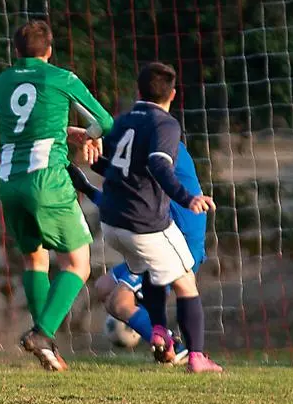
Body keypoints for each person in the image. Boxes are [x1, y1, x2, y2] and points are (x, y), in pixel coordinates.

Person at [0, 19, 113, 372]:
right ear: (49, 51)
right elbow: (105, 122)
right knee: (78, 263)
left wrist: (66, 130)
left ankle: (45, 345)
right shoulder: (62, 77)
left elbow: (30, 122)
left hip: (8, 179)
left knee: (35, 260)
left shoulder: (3, 81)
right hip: (46, 180)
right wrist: (88, 132)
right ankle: (43, 333)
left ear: (17, 51)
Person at [95, 61, 221, 373]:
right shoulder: (160, 130)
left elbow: (151, 170)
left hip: (173, 231)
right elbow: (149, 169)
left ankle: (172, 343)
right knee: (110, 292)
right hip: (150, 226)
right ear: (173, 95)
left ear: (137, 91)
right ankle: (188, 352)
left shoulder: (131, 126)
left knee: (116, 299)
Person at [67, 140, 207, 364]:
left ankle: (174, 347)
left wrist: (95, 160)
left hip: (175, 244)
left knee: (119, 303)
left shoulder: (164, 151)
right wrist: (87, 185)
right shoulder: (152, 151)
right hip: (160, 239)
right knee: (103, 287)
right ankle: (158, 331)